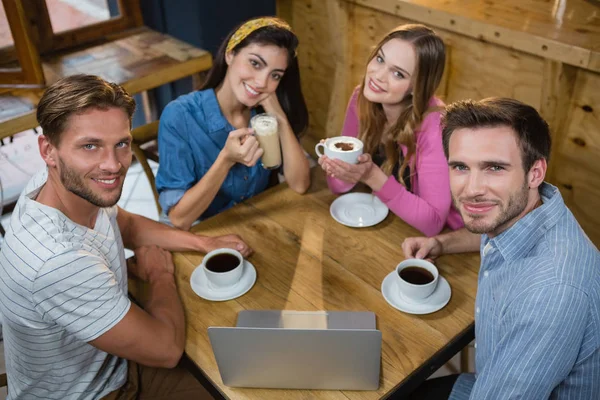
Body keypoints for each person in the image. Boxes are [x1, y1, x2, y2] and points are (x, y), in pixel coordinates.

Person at [0, 74, 253, 400]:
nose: (112, 165)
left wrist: (203, 242)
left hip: (113, 361)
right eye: (90, 146)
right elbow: (166, 350)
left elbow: (126, 224)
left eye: (121, 143)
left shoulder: (59, 182)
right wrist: (159, 275)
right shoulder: (58, 262)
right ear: (49, 150)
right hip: (97, 393)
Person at [402, 97, 600, 399]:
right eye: (460, 167)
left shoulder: (551, 294)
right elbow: (493, 229)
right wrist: (442, 242)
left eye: (494, 167)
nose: (472, 189)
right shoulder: (528, 208)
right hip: (491, 374)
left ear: (535, 172)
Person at [156, 17, 310, 231]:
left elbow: (300, 184)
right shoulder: (180, 115)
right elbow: (180, 219)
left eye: (275, 75)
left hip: (254, 225)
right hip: (204, 231)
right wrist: (226, 160)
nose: (262, 83)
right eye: (255, 63)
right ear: (230, 54)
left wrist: (280, 117)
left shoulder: (264, 117)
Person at [318, 24, 463, 236]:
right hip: (387, 223)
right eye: (379, 59)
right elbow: (338, 187)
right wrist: (338, 163)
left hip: (448, 242)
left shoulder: (435, 126)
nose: (378, 76)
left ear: (417, 87)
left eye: (398, 73)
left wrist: (370, 176)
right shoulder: (362, 98)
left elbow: (433, 223)